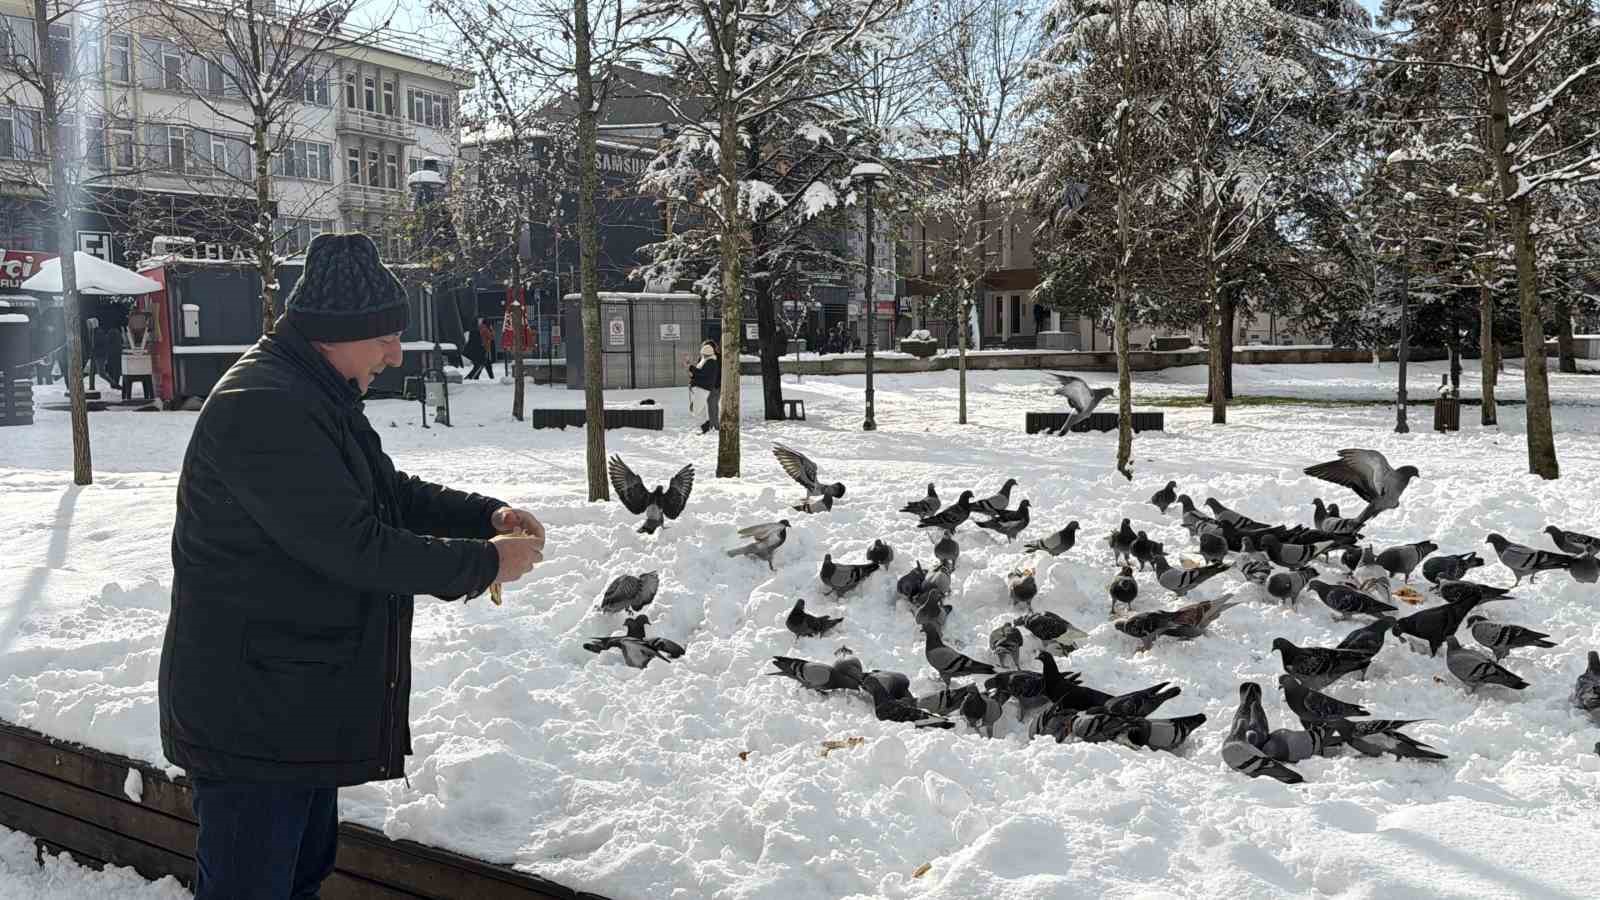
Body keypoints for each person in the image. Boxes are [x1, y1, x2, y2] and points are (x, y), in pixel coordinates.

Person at [158, 232, 546, 900]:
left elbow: (386, 495)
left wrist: (486, 515)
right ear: (336, 334)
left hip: (290, 705)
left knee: (298, 878)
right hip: (252, 717)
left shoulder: (312, 392)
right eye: (385, 338)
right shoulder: (264, 407)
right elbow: (351, 545)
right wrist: (482, 564)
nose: (395, 355)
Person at [686, 339, 721, 434]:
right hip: (704, 387)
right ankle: (707, 427)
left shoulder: (713, 361)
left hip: (709, 387)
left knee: (705, 407)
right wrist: (693, 377)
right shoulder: (704, 360)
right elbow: (699, 373)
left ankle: (712, 426)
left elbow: (704, 374)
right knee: (703, 408)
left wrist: (691, 368)